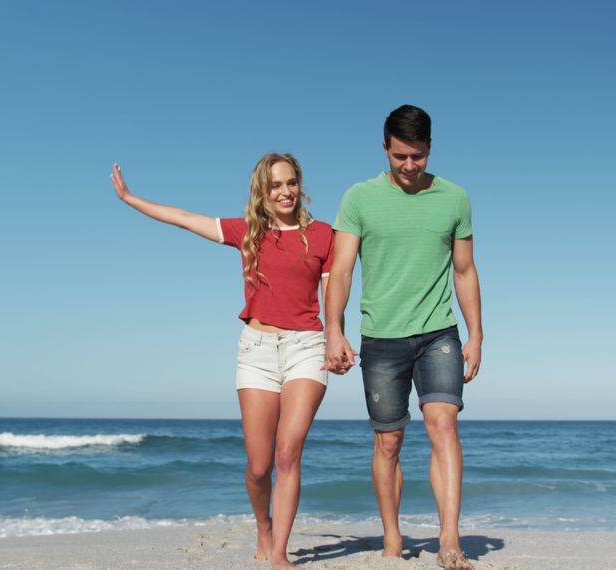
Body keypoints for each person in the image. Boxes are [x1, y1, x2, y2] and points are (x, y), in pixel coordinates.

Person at [110, 154, 334, 568]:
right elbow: (183, 217)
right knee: (258, 465)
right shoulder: (249, 231)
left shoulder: (323, 235)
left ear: (300, 185)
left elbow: (335, 294)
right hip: (257, 351)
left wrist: (337, 339)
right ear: (263, 193)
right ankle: (262, 527)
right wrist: (131, 199)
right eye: (275, 185)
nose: (285, 192)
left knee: (289, 453)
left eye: (291, 183)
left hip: (307, 346)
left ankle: (280, 554)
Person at [323, 105, 483, 570]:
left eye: (417, 156)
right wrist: (334, 331)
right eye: (399, 157)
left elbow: (466, 270)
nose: (409, 166)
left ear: (430, 148)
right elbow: (342, 269)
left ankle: (449, 539)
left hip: (439, 332)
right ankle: (392, 538)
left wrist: (476, 335)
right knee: (388, 443)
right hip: (381, 338)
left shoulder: (455, 198)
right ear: (384, 148)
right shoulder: (358, 198)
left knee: (444, 426)